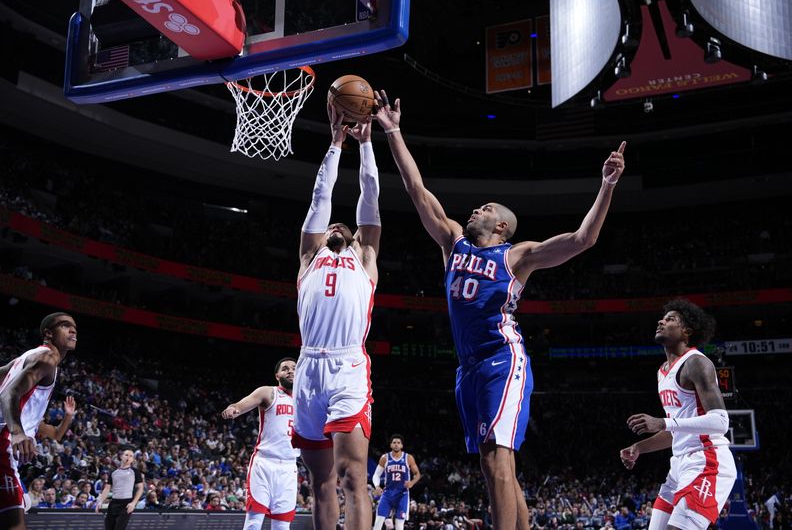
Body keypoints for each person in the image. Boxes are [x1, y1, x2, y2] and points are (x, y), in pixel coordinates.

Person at [372, 90, 625, 530]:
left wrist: (606, 184)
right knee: (492, 470)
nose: (475, 209)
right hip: (468, 368)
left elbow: (583, 239)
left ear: (501, 225)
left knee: (498, 461)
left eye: (484, 208)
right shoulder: (453, 242)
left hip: (501, 361)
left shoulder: (517, 255)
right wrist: (392, 130)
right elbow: (416, 189)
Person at [293, 102, 382, 530]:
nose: (335, 227)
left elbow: (369, 195)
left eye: (343, 228)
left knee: (352, 476)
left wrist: (365, 146)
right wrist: (334, 143)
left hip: (348, 364)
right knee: (321, 481)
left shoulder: (365, 256)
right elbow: (320, 197)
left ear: (354, 236)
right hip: (308, 366)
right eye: (330, 226)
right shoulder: (309, 256)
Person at [620, 299, 736, 530]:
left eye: (671, 319)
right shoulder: (662, 373)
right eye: (663, 318)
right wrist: (639, 448)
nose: (662, 321)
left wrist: (662, 422)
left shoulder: (696, 363)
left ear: (686, 332)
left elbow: (721, 422)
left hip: (707, 460)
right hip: (679, 466)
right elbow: (676, 430)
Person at [0, 312, 78, 530]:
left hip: (8, 444)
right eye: (65, 326)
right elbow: (8, 395)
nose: (73, 330)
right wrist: (17, 433)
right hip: (3, 443)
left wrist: (68, 416)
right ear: (48, 333)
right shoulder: (47, 358)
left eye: (74, 327)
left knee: (22, 503)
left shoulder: (23, 359)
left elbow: (55, 435)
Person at [221, 357, 299, 530]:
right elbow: (241, 404)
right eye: (285, 369)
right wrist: (234, 409)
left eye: (294, 368)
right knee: (254, 523)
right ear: (277, 375)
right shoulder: (268, 392)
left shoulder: (306, 399)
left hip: (289, 467)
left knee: (282, 527)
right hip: (264, 463)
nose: (290, 371)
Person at [371, 434, 421, 530]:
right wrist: (377, 486)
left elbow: (417, 474)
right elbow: (376, 475)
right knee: (378, 523)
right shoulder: (385, 458)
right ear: (391, 445)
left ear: (402, 445)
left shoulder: (408, 458)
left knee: (399, 526)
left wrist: (412, 483)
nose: (396, 445)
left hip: (402, 494)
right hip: (387, 494)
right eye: (394, 443)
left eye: (398, 443)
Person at [95, 449, 144, 530]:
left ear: (133, 460)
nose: (128, 457)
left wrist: (133, 503)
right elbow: (107, 488)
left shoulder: (135, 472)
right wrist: (100, 501)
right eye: (126, 455)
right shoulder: (114, 472)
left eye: (131, 456)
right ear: (121, 457)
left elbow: (140, 488)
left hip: (126, 503)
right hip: (114, 502)